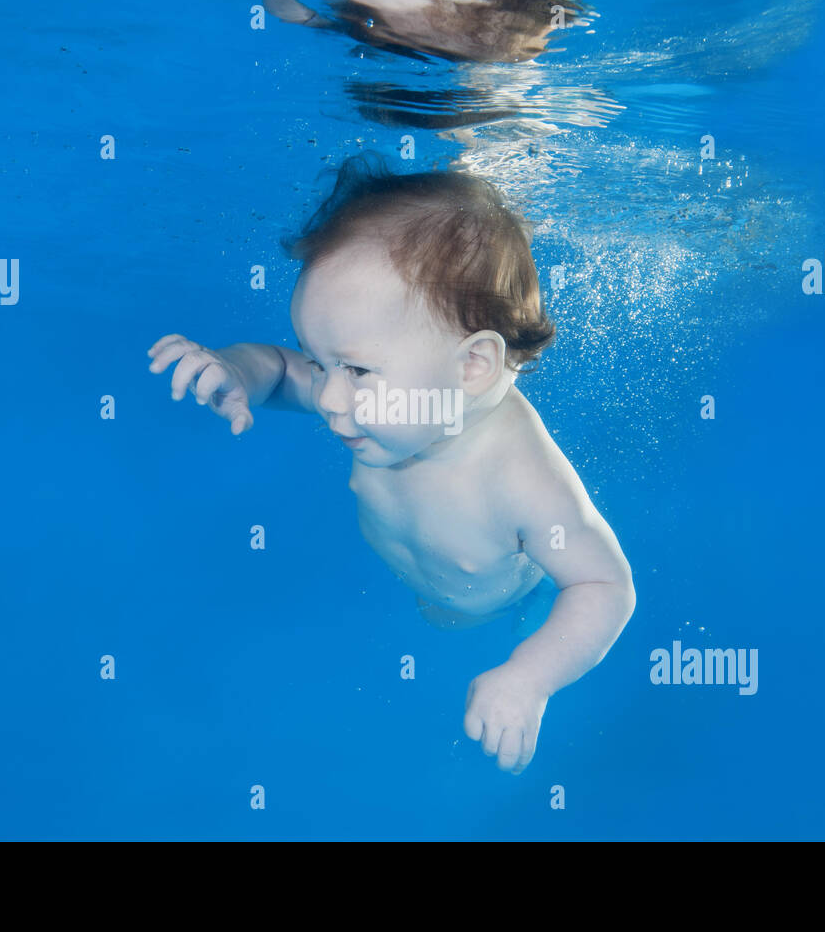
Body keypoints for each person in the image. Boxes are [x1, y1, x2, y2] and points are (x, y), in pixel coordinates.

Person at [148, 153, 634, 774]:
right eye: (319, 364)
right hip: (417, 579)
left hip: (485, 606)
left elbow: (604, 585)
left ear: (473, 367)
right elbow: (277, 369)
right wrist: (236, 369)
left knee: (516, 621)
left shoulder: (522, 475)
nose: (324, 397)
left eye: (354, 370)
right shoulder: (380, 406)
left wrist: (529, 677)